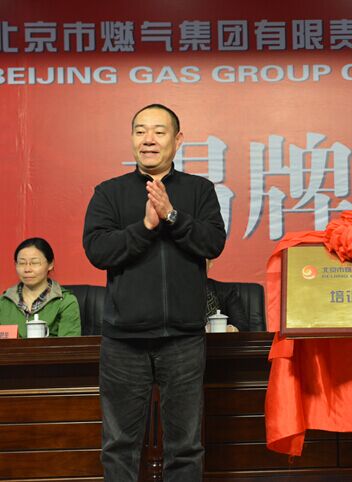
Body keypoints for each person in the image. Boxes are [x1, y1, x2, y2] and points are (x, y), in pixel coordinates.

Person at [83, 104, 226, 481]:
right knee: (119, 445)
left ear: (178, 140)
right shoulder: (109, 193)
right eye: (140, 131)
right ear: (131, 138)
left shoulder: (199, 190)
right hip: (123, 341)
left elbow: (213, 243)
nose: (148, 139)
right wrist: (145, 227)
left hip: (183, 339)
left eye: (159, 132)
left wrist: (173, 216)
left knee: (186, 446)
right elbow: (98, 251)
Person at [0, 237, 81, 338]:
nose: (27, 269)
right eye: (22, 263)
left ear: (50, 264)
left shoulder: (65, 302)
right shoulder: (3, 302)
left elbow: (69, 346)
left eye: (34, 263)